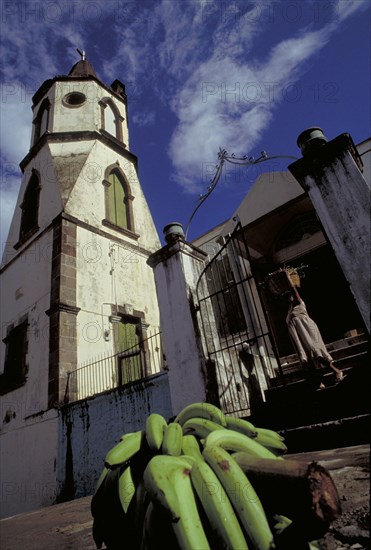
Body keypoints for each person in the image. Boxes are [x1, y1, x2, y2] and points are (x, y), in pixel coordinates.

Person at [283, 272, 345, 389]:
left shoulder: (298, 302)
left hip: (307, 329)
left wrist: (287, 277)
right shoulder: (289, 311)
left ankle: (337, 371)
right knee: (306, 357)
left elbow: (293, 288)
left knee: (316, 351)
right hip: (298, 335)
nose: (287, 298)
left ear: (292, 296)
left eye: (289, 295)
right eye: (285, 297)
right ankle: (319, 382)